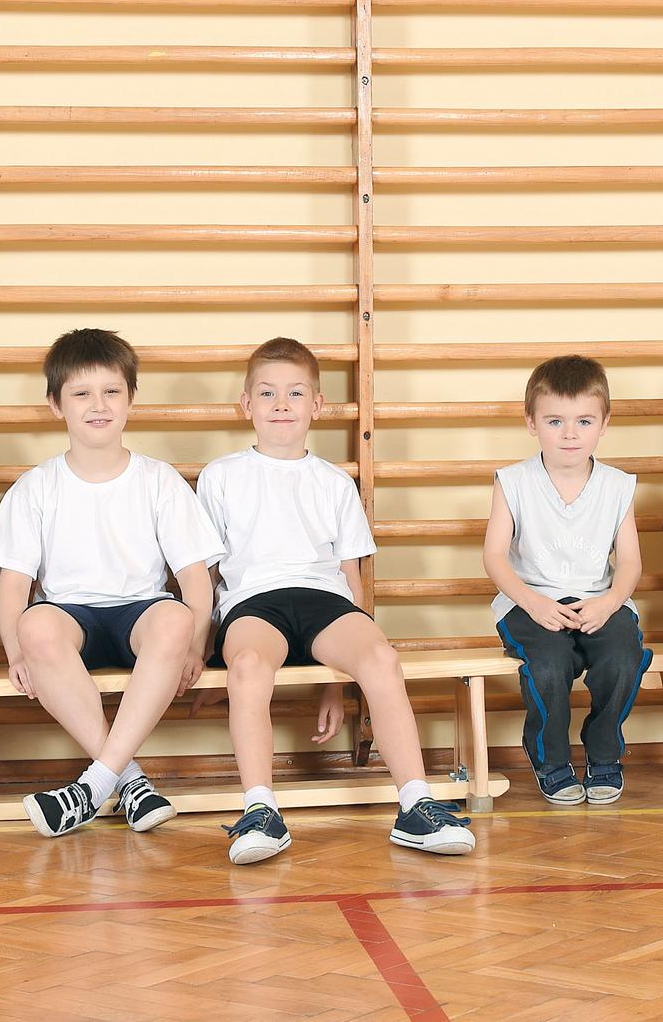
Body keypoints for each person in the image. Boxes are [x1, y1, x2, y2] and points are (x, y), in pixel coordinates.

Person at [198, 339, 474, 864]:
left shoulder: (334, 483)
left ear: (317, 406)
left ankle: (416, 805)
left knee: (379, 657)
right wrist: (213, 653)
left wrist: (335, 679)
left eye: (295, 393)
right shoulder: (221, 476)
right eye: (268, 393)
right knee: (251, 664)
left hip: (326, 602)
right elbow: (209, 577)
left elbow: (352, 579)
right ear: (246, 405)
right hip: (255, 604)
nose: (282, 404)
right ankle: (260, 810)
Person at [0, 328, 223, 839]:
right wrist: (15, 652)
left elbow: (194, 579)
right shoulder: (36, 486)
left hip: (141, 613)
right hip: (73, 618)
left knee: (176, 616)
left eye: (112, 391)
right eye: (81, 393)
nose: (98, 405)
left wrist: (195, 646)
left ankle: (92, 787)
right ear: (56, 405)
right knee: (37, 624)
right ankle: (126, 780)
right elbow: (13, 587)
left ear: (131, 399)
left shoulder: (158, 480)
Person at [484, 353, 647, 806]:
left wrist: (611, 602)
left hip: (600, 601)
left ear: (604, 423)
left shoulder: (617, 486)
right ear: (532, 422)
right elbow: (495, 556)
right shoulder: (513, 481)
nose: (570, 433)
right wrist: (533, 603)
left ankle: (604, 752)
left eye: (583, 421)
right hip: (531, 604)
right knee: (550, 666)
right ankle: (551, 760)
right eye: (555, 420)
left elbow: (630, 563)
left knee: (622, 656)